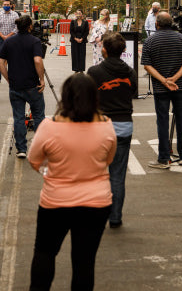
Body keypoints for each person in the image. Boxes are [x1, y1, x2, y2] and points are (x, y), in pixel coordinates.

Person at [27, 73, 116, 290]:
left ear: (65, 97)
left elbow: (34, 160)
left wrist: (50, 171)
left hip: (56, 201)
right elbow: (108, 160)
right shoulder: (106, 126)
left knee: (45, 252)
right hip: (96, 202)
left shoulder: (49, 126)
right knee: (84, 261)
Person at [87, 32, 137, 228]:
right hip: (124, 126)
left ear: (104, 50)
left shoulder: (94, 72)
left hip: (100, 127)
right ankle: (115, 217)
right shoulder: (130, 72)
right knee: (117, 175)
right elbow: (132, 92)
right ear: (123, 51)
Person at [141, 12, 182, 168]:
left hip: (160, 88)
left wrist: (164, 80)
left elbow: (147, 65)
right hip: (180, 86)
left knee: (162, 121)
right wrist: (175, 78)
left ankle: (163, 158)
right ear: (171, 23)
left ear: (156, 24)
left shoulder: (150, 41)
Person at [0, 14, 46, 158]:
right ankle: (39, 147)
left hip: (15, 85)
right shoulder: (34, 41)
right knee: (38, 115)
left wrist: (8, 79)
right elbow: (38, 60)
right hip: (32, 85)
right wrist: (42, 79)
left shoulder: (9, 41)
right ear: (30, 26)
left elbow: (0, 62)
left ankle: (21, 149)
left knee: (18, 117)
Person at [0, 0, 19, 84]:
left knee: (13, 57)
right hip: (0, 39)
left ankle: (13, 77)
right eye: (4, 4)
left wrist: (8, 36)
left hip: (12, 39)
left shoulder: (15, 15)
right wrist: (3, 36)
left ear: (11, 5)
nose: (6, 6)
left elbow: (17, 27)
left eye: (7, 4)